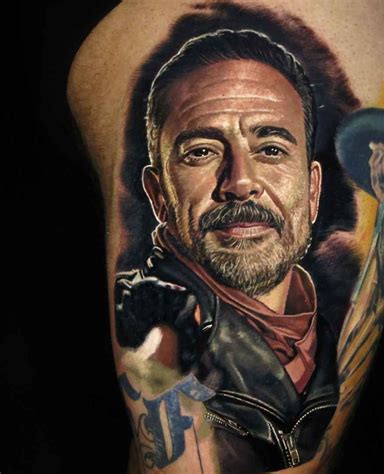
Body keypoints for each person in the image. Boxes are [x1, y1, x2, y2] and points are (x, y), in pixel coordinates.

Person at [114, 30, 342, 470]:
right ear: (158, 196)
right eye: (201, 152)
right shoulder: (153, 326)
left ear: (313, 191)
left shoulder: (337, 336)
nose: (240, 182)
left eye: (271, 149)